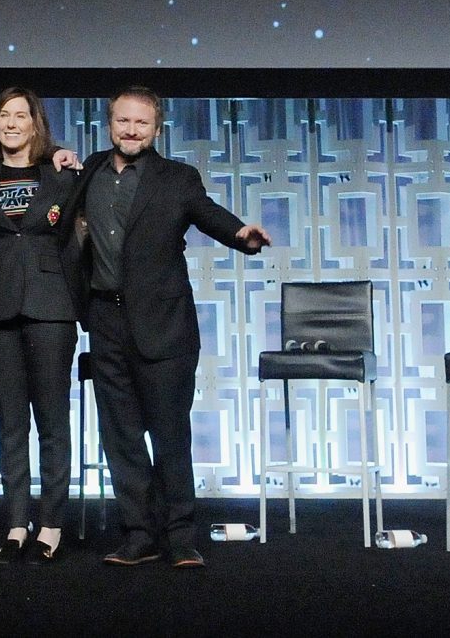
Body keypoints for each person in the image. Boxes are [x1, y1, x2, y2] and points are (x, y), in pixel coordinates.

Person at [47, 87, 270, 569]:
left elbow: (207, 213)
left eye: (141, 123)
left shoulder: (177, 178)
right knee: (121, 437)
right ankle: (138, 534)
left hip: (165, 326)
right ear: (110, 124)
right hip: (105, 320)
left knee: (170, 436)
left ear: (157, 129)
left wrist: (240, 235)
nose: (131, 130)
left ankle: (180, 535)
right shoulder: (89, 171)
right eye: (123, 121)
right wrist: (54, 154)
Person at [0, 88, 79, 563]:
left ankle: (51, 523)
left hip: (51, 305)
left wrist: (63, 155)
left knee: (52, 420)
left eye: (20, 115)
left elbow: (85, 232)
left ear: (35, 124)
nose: (11, 123)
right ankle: (16, 523)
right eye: (4, 115)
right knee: (10, 423)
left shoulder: (62, 173)